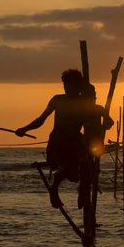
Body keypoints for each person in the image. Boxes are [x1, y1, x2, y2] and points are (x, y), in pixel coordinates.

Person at [15, 69, 86, 209]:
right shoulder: (57, 100)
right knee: (65, 169)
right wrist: (25, 129)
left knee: (84, 168)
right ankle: (54, 191)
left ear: (78, 85)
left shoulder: (84, 101)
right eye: (64, 85)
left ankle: (82, 192)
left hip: (76, 141)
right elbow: (41, 120)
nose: (66, 88)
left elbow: (94, 117)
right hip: (58, 140)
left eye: (69, 84)